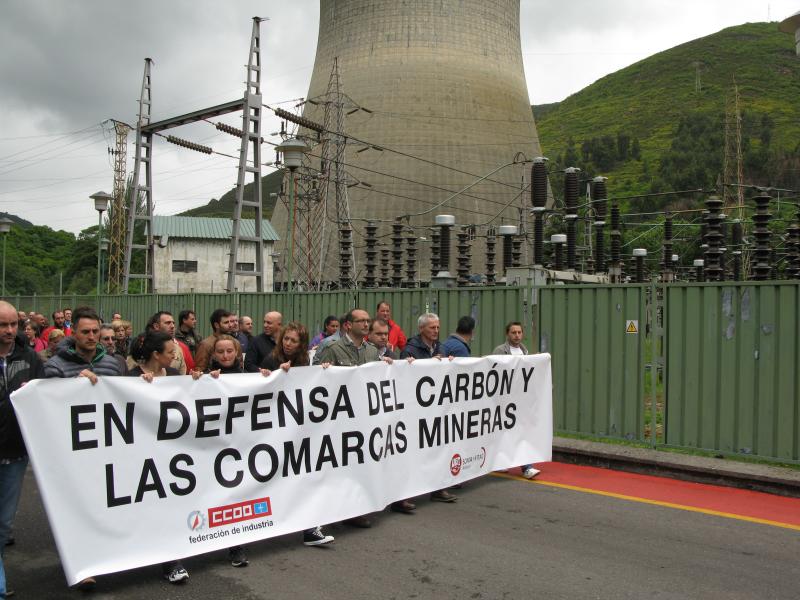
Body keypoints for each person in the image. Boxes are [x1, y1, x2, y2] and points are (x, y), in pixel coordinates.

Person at [43, 306, 125, 590]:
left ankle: (107, 555)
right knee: (77, 508)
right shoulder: (56, 366)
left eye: (95, 332)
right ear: (73, 333)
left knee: (106, 504)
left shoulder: (113, 363)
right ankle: (82, 565)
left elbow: (127, 401)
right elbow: (48, 406)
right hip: (73, 452)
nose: (91, 337)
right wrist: (71, 389)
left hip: (108, 447)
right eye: (85, 332)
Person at [250, 323, 337, 546]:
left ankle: (308, 528)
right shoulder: (271, 359)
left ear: (301, 344)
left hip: (297, 431)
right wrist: (273, 375)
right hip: (274, 432)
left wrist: (322, 371)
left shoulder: (304, 361)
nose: (288, 344)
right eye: (286, 339)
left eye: (294, 341)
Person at [190, 335, 271, 566]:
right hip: (215, 448)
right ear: (213, 354)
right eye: (220, 352)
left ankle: (237, 547)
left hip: (243, 447)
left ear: (237, 353)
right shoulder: (206, 379)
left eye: (229, 351)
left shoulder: (250, 378)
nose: (225, 356)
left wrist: (266, 378)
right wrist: (199, 379)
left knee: (238, 496)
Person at [126, 331, 191, 583]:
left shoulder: (174, 376)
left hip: (173, 455)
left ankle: (171, 560)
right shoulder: (130, 378)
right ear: (155, 354)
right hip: (144, 456)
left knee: (170, 507)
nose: (175, 356)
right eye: (170, 353)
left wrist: (199, 382)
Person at [319, 309, 387, 527]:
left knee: (360, 464)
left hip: (364, 418)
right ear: (348, 325)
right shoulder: (333, 349)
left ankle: (356, 507)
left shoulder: (371, 350)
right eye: (361, 321)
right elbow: (317, 382)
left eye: (368, 321)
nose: (366, 324)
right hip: (340, 420)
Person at [0, 301, 45, 600]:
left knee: (3, 523)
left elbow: (48, 392)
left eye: (13, 324)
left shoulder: (30, 357)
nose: (9, 330)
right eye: (3, 325)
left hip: (15, 455)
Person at [401, 313, 457, 503]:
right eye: (432, 327)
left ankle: (438, 487)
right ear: (421, 329)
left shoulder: (441, 348)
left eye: (438, 327)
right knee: (413, 454)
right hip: (416, 411)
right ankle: (404, 495)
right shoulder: (410, 350)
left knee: (438, 449)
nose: (436, 331)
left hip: (436, 409)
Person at [492, 321, 540, 479]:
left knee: (520, 432)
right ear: (508, 334)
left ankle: (526, 466)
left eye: (519, 332)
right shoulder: (500, 350)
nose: (517, 335)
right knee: (505, 431)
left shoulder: (524, 351)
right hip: (505, 399)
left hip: (521, 400)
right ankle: (508, 462)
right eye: (514, 332)